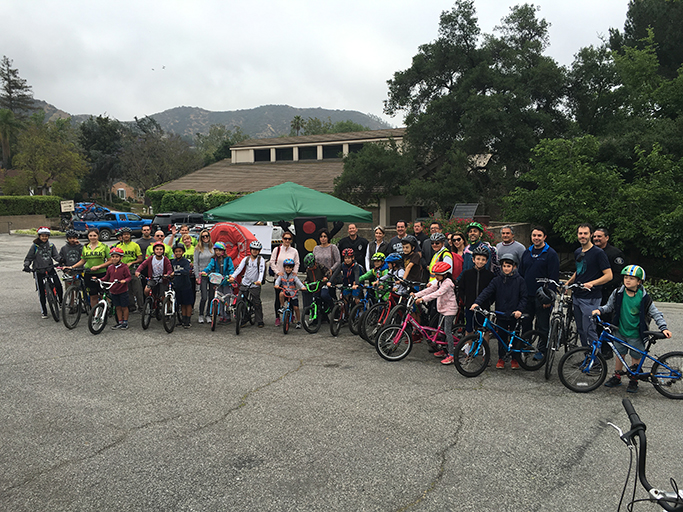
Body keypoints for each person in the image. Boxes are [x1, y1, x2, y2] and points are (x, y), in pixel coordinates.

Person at [593, 265, 672, 393]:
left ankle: (634, 380)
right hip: (620, 329)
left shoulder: (644, 297)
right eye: (625, 277)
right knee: (619, 354)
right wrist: (599, 310)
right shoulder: (618, 293)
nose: (627, 280)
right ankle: (617, 376)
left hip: (636, 332)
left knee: (636, 356)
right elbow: (609, 306)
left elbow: (655, 313)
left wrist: (663, 328)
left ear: (639, 282)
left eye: (631, 278)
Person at [471, 253, 527, 370]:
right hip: (501, 313)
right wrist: (477, 302)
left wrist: (519, 310)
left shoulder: (520, 281)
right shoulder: (497, 280)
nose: (506, 268)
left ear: (514, 267)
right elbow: (487, 292)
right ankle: (501, 358)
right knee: (500, 336)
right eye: (504, 266)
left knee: (514, 336)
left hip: (514, 314)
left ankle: (514, 358)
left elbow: (524, 297)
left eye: (508, 266)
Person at [566, 223, 612, 347]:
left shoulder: (598, 253)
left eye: (585, 233)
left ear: (591, 235)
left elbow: (609, 275)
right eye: (580, 233)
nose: (583, 236)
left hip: (591, 297)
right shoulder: (577, 252)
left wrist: (592, 283)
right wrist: (569, 283)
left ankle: (596, 361)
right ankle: (587, 356)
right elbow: (580, 270)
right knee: (581, 330)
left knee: (589, 330)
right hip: (577, 295)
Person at [518, 226, 559, 340]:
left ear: (544, 237)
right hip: (527, 295)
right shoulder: (527, 252)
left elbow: (554, 277)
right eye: (534, 235)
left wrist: (549, 298)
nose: (536, 238)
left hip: (542, 296)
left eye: (539, 235)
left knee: (542, 325)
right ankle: (526, 345)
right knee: (526, 322)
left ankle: (541, 351)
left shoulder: (551, 254)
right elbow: (521, 274)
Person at [414, 261, 458, 365]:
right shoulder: (439, 282)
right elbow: (430, 289)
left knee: (447, 331)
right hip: (442, 309)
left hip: (450, 310)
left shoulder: (447, 283)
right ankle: (444, 350)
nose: (436, 276)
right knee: (441, 330)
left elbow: (438, 293)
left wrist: (422, 299)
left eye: (438, 275)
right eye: (435, 274)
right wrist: (416, 295)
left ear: (445, 274)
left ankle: (451, 354)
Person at [23, 226, 63, 319]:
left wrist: (60, 260)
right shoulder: (35, 246)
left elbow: (55, 256)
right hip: (38, 270)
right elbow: (29, 257)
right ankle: (44, 311)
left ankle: (61, 301)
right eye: (42, 236)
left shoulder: (51, 245)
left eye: (46, 236)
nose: (44, 237)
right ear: (39, 236)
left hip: (49, 268)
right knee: (41, 291)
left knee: (58, 285)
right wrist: (26, 265)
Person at [68, 227, 111, 308]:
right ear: (88, 236)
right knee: (93, 295)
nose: (92, 237)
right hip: (88, 273)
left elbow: (110, 260)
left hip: (101, 273)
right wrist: (72, 267)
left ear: (98, 236)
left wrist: (99, 266)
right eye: (90, 235)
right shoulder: (85, 247)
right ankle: (94, 314)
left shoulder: (104, 246)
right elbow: (83, 260)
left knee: (102, 294)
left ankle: (105, 311)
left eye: (94, 235)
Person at [458, 246, 495, 337]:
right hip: (470, 306)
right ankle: (468, 350)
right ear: (473, 260)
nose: (480, 261)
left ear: (486, 261)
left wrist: (489, 302)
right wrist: (465, 301)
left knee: (484, 330)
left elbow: (493, 291)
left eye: (483, 260)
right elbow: (461, 288)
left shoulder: (490, 275)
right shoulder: (467, 274)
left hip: (484, 307)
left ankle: (485, 350)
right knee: (469, 329)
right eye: (478, 259)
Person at [229, 240, 266, 327]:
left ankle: (259, 320)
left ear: (259, 251)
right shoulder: (246, 259)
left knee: (256, 302)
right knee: (240, 301)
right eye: (253, 249)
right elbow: (239, 269)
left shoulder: (261, 260)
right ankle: (244, 318)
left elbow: (261, 271)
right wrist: (233, 276)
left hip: (254, 284)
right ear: (250, 250)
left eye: (256, 250)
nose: (254, 251)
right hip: (245, 283)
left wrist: (259, 281)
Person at [270, 231, 299, 326]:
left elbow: (297, 263)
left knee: (291, 297)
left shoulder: (294, 251)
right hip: (279, 278)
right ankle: (277, 317)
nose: (287, 240)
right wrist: (278, 272)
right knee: (279, 298)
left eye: (289, 239)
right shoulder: (277, 249)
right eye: (285, 238)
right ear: (282, 239)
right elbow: (272, 262)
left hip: (290, 278)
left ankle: (291, 315)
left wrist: (294, 272)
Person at [202, 241, 235, 323]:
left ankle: (227, 315)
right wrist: (205, 271)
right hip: (218, 281)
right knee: (219, 298)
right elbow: (210, 266)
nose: (218, 252)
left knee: (226, 297)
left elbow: (231, 268)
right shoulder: (214, 259)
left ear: (223, 251)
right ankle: (221, 315)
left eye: (220, 250)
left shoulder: (228, 259)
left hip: (226, 280)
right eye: (216, 250)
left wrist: (231, 275)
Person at [592, 228, 626, 306]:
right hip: (592, 291)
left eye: (599, 236)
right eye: (594, 236)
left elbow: (619, 275)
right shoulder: (590, 252)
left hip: (608, 292)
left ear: (607, 238)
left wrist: (601, 285)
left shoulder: (615, 253)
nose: (596, 239)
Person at [101, 246, 132, 330]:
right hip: (113, 290)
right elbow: (106, 277)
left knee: (124, 307)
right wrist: (99, 279)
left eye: (116, 257)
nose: (114, 258)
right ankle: (120, 321)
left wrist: (124, 281)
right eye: (113, 256)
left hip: (122, 290)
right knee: (117, 307)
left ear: (121, 257)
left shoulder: (124, 267)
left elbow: (129, 277)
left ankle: (125, 322)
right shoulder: (110, 268)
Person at [117, 227, 143, 312]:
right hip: (123, 271)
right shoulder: (119, 246)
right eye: (124, 234)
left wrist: (132, 263)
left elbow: (140, 259)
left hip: (133, 270)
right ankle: (131, 307)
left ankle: (141, 307)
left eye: (128, 234)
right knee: (127, 290)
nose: (126, 236)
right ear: (122, 236)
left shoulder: (135, 245)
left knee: (138, 289)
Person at [275, 258, 306, 328]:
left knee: (296, 308)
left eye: (290, 268)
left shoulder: (294, 276)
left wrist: (302, 287)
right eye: (287, 267)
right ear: (284, 268)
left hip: (293, 293)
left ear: (292, 268)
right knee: (281, 294)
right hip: (285, 292)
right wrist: (276, 285)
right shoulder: (282, 275)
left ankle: (298, 321)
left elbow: (299, 282)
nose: (288, 269)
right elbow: (277, 281)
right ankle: (282, 307)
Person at [171, 242, 194, 328]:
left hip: (186, 285)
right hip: (177, 285)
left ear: (183, 252)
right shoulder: (173, 262)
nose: (178, 253)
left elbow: (186, 271)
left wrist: (176, 272)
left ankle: (188, 320)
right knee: (181, 304)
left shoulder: (185, 262)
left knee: (187, 303)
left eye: (179, 251)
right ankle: (183, 319)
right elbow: (170, 271)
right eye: (176, 251)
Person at [194, 230, 214, 324]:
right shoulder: (198, 248)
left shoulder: (213, 248)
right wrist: (197, 276)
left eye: (207, 236)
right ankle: (201, 314)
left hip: (212, 275)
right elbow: (195, 263)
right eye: (203, 236)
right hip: (202, 274)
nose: (205, 238)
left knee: (211, 296)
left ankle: (208, 315)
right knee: (204, 296)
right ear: (200, 238)